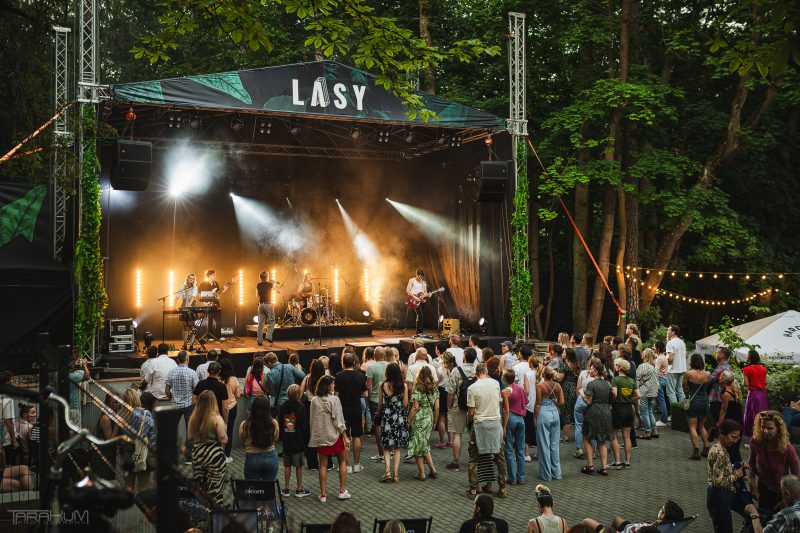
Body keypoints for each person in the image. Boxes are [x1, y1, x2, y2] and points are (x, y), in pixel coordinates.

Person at [748, 411, 800, 518]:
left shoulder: (787, 448)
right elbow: (752, 462)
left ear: (779, 429)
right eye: (762, 427)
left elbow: (797, 477)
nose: (765, 431)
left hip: (783, 493)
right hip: (763, 489)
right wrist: (752, 482)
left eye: (770, 428)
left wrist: (786, 500)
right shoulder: (755, 441)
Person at [466, 363, 507, 497]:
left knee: (474, 458)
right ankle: (502, 488)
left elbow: (471, 412)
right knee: (499, 457)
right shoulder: (495, 383)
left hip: (480, 425)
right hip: (495, 423)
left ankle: (473, 489)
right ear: (486, 371)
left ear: (476, 374)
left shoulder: (472, 388)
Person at [706, 419, 755, 532]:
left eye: (737, 437)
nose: (735, 440)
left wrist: (739, 467)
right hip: (719, 496)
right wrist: (737, 475)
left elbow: (723, 469)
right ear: (722, 434)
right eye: (733, 437)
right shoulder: (719, 453)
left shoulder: (723, 448)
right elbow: (718, 481)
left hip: (725, 494)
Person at [309, 375, 351, 502]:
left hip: (321, 436)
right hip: (335, 435)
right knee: (342, 461)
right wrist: (345, 436)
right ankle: (342, 491)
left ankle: (323, 495)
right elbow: (339, 420)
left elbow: (312, 420)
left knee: (322, 465)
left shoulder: (314, 400)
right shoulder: (335, 399)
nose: (334, 386)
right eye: (332, 384)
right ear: (327, 385)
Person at [188, 389, 227, 507]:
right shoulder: (217, 418)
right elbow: (223, 439)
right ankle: (215, 515)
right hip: (214, 454)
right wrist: (226, 436)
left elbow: (189, 436)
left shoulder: (193, 418)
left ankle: (201, 513)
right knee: (215, 486)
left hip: (198, 453)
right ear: (213, 402)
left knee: (200, 486)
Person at [446, 347, 477, 470]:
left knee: (457, 434)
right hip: (473, 407)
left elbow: (450, 391)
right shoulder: (477, 370)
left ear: (464, 357)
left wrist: (448, 407)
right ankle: (473, 461)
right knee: (473, 436)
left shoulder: (456, 370)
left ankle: (456, 462)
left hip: (458, 406)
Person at [335, 352, 367, 473]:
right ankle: (357, 464)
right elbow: (365, 394)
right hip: (357, 409)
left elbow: (336, 396)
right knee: (357, 436)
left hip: (344, 410)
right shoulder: (360, 376)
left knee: (345, 437)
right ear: (354, 363)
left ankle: (347, 465)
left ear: (343, 363)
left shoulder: (338, 376)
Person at [165, 350, 199, 462]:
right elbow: (196, 390)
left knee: (171, 430)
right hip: (189, 405)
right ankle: (189, 457)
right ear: (187, 359)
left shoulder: (171, 372)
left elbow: (167, 390)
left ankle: (171, 456)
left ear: (177, 360)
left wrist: (172, 398)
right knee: (190, 431)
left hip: (175, 405)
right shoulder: (192, 373)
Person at [378, 362, 409, 482]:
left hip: (387, 416)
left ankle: (387, 471)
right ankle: (396, 475)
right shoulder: (403, 386)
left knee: (386, 446)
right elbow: (405, 404)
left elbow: (380, 404)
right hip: (399, 417)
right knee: (397, 447)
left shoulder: (382, 385)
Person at [278, 384, 311, 498]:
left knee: (287, 465)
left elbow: (280, 423)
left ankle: (286, 489)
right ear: (298, 395)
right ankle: (299, 488)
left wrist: (281, 438)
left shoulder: (283, 406)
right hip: (298, 440)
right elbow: (304, 426)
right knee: (299, 466)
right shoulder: (301, 407)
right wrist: (306, 441)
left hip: (286, 440)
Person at [407, 365, 439, 480]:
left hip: (419, 418)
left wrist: (408, 420)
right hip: (429, 417)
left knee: (418, 446)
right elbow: (437, 408)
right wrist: (435, 420)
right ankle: (432, 469)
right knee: (424, 444)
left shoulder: (418, 388)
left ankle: (422, 473)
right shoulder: (434, 389)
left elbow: (415, 407)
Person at [581, 361, 612, 476]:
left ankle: (590, 465)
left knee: (587, 437)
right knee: (602, 440)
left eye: (592, 369)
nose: (590, 370)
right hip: (606, 411)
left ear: (597, 371)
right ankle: (604, 467)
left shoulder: (591, 384)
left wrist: (582, 394)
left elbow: (588, 401)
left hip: (593, 411)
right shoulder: (608, 384)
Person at [122, 387, 156, 492]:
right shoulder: (145, 414)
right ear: (137, 398)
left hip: (128, 453)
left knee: (128, 488)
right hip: (143, 453)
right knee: (143, 489)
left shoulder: (122, 416)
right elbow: (153, 436)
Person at [239, 395, 279, 481]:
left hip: (252, 458)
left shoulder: (245, 424)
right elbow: (275, 439)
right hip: (270, 457)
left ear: (253, 408)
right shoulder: (274, 423)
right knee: (268, 488)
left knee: (253, 489)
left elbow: (243, 439)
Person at [583, 500, 684, 533]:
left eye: (662, 509)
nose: (660, 510)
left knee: (586, 521)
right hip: (630, 528)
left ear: (662, 515)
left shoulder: (649, 530)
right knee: (617, 519)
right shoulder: (667, 528)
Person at [535, 366, 564, 480]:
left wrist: (535, 417)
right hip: (555, 413)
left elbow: (537, 403)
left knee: (544, 444)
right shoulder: (558, 385)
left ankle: (546, 474)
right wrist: (554, 402)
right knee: (554, 445)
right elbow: (561, 402)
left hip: (543, 412)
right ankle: (556, 473)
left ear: (544, 375)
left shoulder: (540, 386)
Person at [610, 358, 638, 469]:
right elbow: (638, 395)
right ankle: (627, 461)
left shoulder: (615, 380)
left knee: (614, 435)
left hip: (618, 409)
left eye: (616, 365)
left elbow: (615, 394)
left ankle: (617, 461)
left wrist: (611, 397)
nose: (615, 366)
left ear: (619, 367)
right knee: (627, 437)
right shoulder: (632, 381)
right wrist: (630, 399)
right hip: (629, 409)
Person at [683, 353, 711, 460]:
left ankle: (696, 452)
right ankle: (706, 448)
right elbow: (707, 387)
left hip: (693, 401)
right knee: (702, 426)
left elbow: (685, 387)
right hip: (704, 401)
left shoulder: (688, 373)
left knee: (692, 427)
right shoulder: (707, 374)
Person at [501, 368, 527, 485]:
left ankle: (512, 477)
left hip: (510, 418)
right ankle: (521, 477)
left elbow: (506, 410)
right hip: (521, 419)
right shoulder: (520, 388)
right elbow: (525, 402)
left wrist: (504, 427)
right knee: (520, 449)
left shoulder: (505, 391)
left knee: (509, 449)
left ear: (505, 379)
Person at [366, 347, 389, 462]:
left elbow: (368, 386)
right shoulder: (390, 366)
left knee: (378, 428)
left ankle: (381, 454)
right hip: (388, 399)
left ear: (375, 356)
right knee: (388, 426)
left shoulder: (371, 367)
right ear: (384, 355)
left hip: (375, 400)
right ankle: (390, 452)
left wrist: (369, 399)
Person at [715, 370, 744, 463]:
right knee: (735, 450)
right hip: (738, 422)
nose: (719, 377)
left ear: (724, 379)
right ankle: (740, 472)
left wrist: (720, 424)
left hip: (731, 423)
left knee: (730, 450)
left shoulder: (726, 394)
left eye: (720, 376)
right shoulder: (735, 390)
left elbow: (723, 411)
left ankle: (733, 471)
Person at [574, 357, 598, 459]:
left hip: (581, 399)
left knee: (579, 425)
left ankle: (579, 449)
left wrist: (579, 398)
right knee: (593, 426)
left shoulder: (583, 373)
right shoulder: (599, 378)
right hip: (593, 402)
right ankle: (593, 451)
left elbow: (578, 387)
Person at [743, 350, 769, 437]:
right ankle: (762, 436)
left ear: (750, 358)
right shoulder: (763, 368)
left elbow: (746, 384)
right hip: (762, 395)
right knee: (763, 416)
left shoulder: (746, 369)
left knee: (752, 416)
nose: (746, 357)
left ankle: (754, 437)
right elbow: (765, 382)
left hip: (753, 395)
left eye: (747, 355)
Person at [219, 359, 241, 462]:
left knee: (218, 430)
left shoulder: (218, 379)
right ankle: (227, 456)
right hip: (232, 407)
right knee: (230, 431)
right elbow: (237, 395)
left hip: (219, 407)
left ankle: (218, 454)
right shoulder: (234, 379)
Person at [197, 269, 230, 337]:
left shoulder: (216, 283)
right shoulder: (203, 284)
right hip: (208, 305)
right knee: (210, 321)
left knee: (219, 321)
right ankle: (210, 336)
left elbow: (218, 292)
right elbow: (199, 294)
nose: (215, 276)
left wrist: (225, 289)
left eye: (215, 275)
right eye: (213, 275)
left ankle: (218, 336)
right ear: (209, 276)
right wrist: (205, 302)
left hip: (216, 304)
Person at [556, 348, 579, 443]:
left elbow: (559, 378)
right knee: (569, 412)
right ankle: (565, 435)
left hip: (565, 390)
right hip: (573, 388)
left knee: (565, 412)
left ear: (568, 355)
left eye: (564, 353)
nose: (563, 354)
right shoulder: (575, 365)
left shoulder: (565, 365)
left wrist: (553, 373)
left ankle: (565, 436)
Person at [636, 348, 659, 440]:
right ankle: (654, 431)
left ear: (644, 355)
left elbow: (637, 378)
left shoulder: (643, 366)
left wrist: (637, 389)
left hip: (644, 391)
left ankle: (647, 432)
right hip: (653, 391)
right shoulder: (654, 366)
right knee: (650, 411)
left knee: (644, 412)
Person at [709, 346, 733, 425]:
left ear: (723, 355)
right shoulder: (728, 366)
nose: (716, 353)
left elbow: (709, 380)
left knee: (717, 422)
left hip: (717, 399)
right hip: (721, 398)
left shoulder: (722, 367)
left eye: (718, 352)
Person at [432, 343, 450, 449]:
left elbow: (436, 383)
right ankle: (451, 440)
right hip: (451, 392)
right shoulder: (454, 369)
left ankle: (442, 441)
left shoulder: (439, 370)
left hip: (442, 392)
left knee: (441, 418)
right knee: (449, 417)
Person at [665, 324, 687, 405]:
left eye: (668, 330)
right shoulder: (682, 342)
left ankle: (675, 413)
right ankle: (683, 410)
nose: (667, 332)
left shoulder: (670, 343)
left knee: (671, 392)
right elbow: (684, 355)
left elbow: (670, 359)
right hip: (682, 369)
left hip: (673, 370)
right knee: (680, 390)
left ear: (673, 332)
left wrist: (664, 359)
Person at [257, 271, 279, 346]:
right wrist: (274, 282)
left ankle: (259, 341)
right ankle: (268, 336)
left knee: (260, 323)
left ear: (260, 278)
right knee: (272, 321)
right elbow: (278, 290)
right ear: (267, 277)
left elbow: (257, 296)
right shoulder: (270, 284)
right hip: (268, 304)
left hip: (261, 305)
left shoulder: (258, 285)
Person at [406, 269, 430, 335]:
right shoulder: (412, 280)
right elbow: (407, 290)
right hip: (413, 300)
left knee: (420, 316)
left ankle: (419, 332)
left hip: (421, 300)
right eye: (419, 277)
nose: (420, 278)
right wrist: (415, 297)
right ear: (417, 275)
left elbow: (425, 292)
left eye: (421, 277)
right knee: (420, 316)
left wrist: (428, 294)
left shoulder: (424, 282)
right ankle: (420, 332)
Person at [653, 340, 670, 427]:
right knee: (663, 400)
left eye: (654, 346)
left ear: (658, 348)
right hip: (664, 380)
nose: (653, 348)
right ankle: (664, 418)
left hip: (660, 380)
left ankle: (663, 420)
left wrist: (655, 382)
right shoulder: (663, 357)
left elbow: (656, 371)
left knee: (661, 401)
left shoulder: (659, 358)